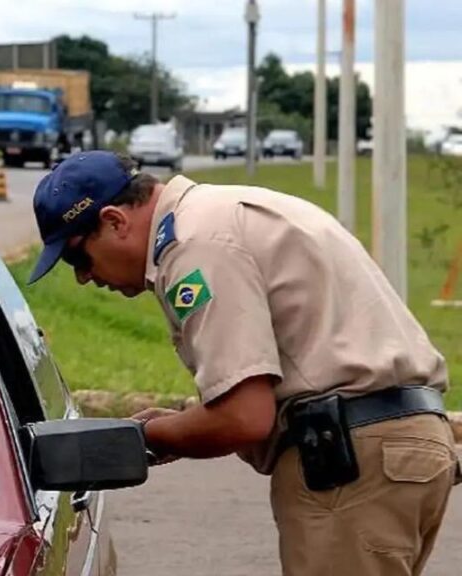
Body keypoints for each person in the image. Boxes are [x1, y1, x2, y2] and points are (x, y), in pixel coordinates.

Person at [26, 150, 458, 575]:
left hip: (348, 461)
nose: (84, 277)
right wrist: (182, 423)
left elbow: (244, 418)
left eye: (77, 257)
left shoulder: (195, 245)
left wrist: (145, 437)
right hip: (402, 447)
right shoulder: (225, 210)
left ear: (115, 221)